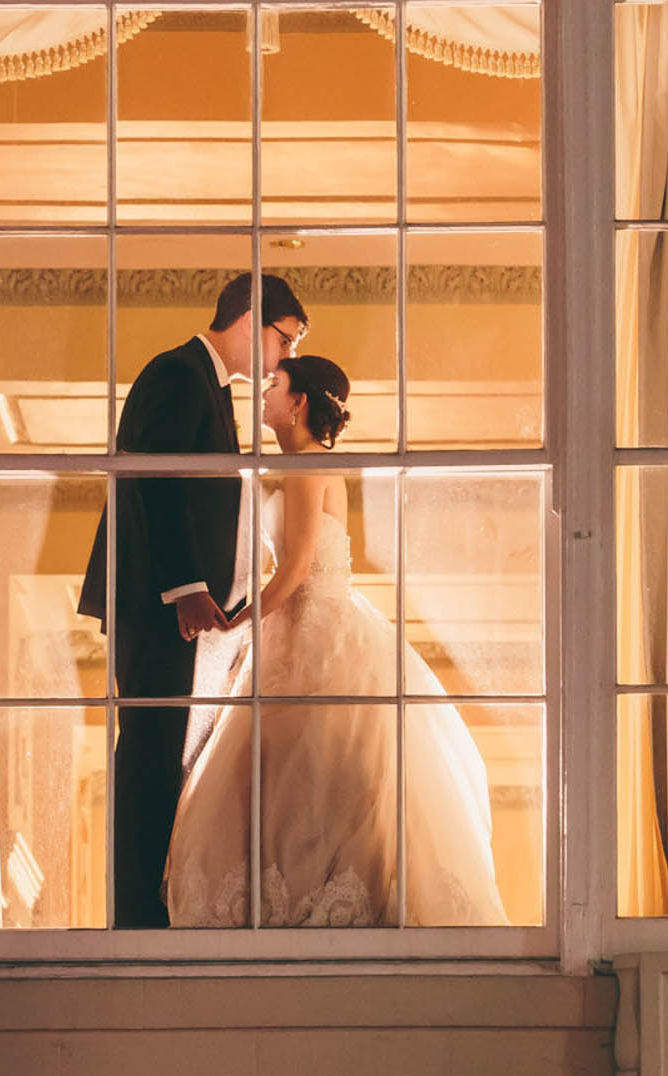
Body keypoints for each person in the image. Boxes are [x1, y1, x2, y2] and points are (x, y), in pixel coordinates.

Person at [165, 354, 509, 929]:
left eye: (274, 386)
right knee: (296, 766)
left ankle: (308, 900)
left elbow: (297, 565)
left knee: (308, 763)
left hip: (311, 628)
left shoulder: (304, 465)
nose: (265, 396)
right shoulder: (307, 463)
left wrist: (239, 621)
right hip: (303, 625)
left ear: (298, 403)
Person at [77, 271, 308, 928]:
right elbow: (155, 478)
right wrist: (187, 590)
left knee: (166, 754)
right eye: (284, 340)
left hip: (185, 619)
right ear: (250, 318)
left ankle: (149, 917)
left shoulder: (208, 387)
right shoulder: (177, 374)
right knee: (150, 754)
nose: (283, 360)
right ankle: (132, 928)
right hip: (159, 610)